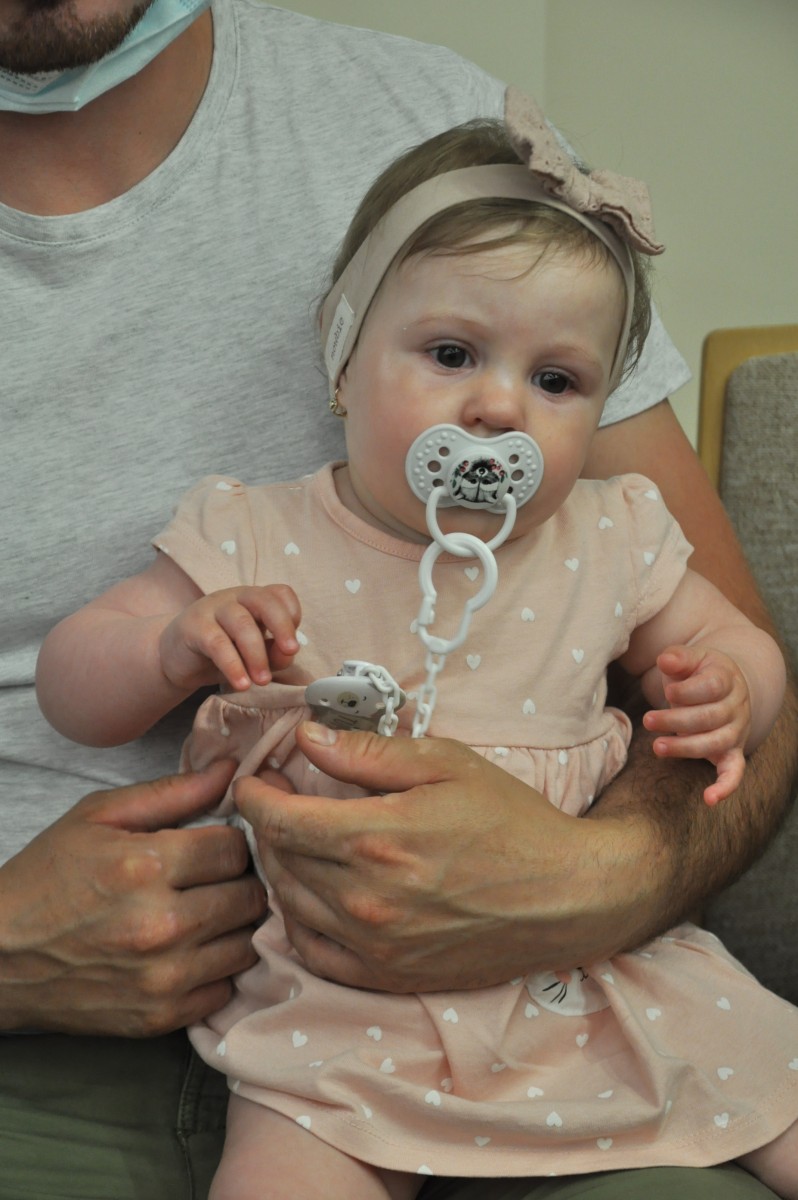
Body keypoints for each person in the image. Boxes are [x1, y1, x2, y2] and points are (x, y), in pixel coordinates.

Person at [2, 1, 796, 1197]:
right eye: (452, 356)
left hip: (581, 979)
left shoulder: (609, 534)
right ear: (341, 360)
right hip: (333, 1006)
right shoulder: (257, 528)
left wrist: (730, 690)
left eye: (558, 380)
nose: (498, 409)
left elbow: (742, 648)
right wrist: (166, 645)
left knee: (765, 1078)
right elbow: (76, 683)